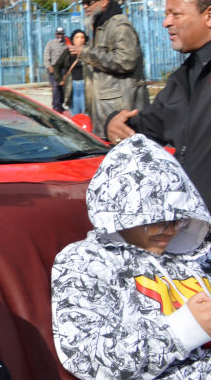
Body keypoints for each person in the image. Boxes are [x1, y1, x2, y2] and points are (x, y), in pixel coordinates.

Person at [51, 134, 211, 378]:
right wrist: (184, 329)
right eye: (156, 221)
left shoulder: (194, 253)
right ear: (123, 215)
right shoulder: (84, 262)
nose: (169, 230)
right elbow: (86, 358)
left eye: (178, 219)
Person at [107, 0, 211, 204]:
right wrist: (116, 124)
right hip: (193, 223)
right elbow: (151, 127)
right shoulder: (182, 78)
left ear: (209, 16)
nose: (166, 22)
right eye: (166, 14)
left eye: (176, 14)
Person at [69, 0, 149, 139]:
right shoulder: (100, 26)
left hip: (122, 115)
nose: (85, 6)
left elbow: (126, 61)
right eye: (83, 3)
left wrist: (85, 52)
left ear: (104, 2)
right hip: (104, 115)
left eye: (89, 2)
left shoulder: (119, 25)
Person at [53, 29, 87, 116]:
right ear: (73, 39)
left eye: (82, 37)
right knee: (75, 114)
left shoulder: (89, 52)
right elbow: (57, 66)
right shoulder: (68, 52)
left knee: (86, 114)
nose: (80, 40)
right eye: (77, 37)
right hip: (72, 86)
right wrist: (59, 79)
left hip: (86, 86)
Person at [44, 27, 67, 113]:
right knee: (56, 87)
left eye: (61, 34)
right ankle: (55, 106)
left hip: (63, 69)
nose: (60, 35)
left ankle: (60, 104)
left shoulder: (66, 44)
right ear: (55, 34)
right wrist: (49, 66)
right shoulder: (51, 43)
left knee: (63, 88)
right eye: (58, 34)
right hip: (53, 68)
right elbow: (46, 55)